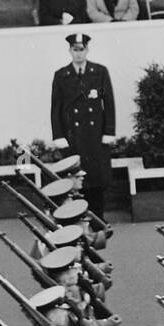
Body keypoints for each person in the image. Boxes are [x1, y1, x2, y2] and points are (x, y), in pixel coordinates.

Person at [50, 33, 116, 217]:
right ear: (69, 51)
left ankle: (99, 221)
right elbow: (56, 107)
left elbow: (108, 102)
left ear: (87, 50)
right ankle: (79, 219)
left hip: (95, 135)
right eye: (75, 50)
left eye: (82, 50)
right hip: (73, 136)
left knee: (96, 180)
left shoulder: (99, 72)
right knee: (76, 179)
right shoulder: (61, 75)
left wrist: (109, 131)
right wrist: (58, 135)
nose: (78, 54)